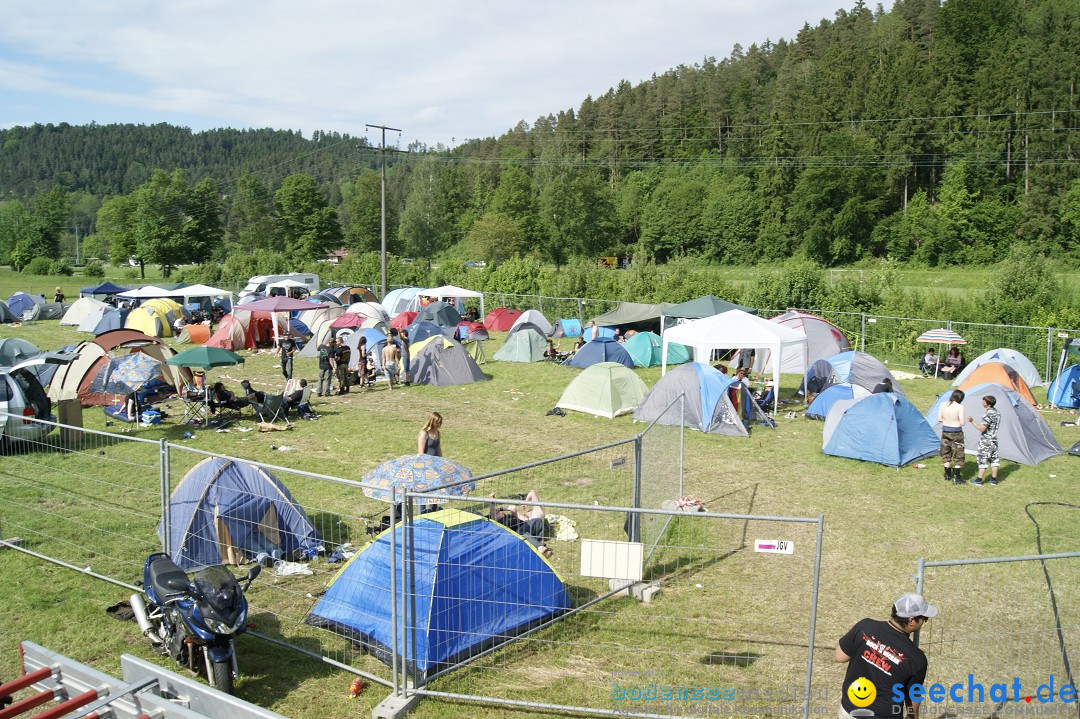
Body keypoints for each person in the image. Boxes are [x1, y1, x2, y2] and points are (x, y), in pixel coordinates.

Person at [836, 593, 935, 719]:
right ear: (911, 620)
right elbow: (912, 703)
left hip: (849, 710)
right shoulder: (917, 659)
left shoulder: (865, 626)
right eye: (924, 618)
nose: (924, 622)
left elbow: (840, 656)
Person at [488, 490, 552, 558]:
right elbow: (511, 509)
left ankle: (540, 547)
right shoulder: (523, 519)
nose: (527, 511)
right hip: (532, 533)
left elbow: (532, 493)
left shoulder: (535, 513)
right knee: (522, 533)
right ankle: (541, 548)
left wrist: (526, 503)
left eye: (528, 511)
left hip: (526, 531)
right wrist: (499, 508)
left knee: (520, 532)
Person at [968, 395, 1000, 485]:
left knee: (983, 459)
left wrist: (972, 421)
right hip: (994, 440)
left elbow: (982, 428)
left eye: (983, 401)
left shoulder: (988, 415)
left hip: (986, 441)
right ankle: (993, 479)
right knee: (994, 460)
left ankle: (979, 480)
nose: (982, 402)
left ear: (988, 404)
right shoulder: (997, 413)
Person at [937, 389, 966, 484]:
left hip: (945, 430)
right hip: (956, 431)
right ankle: (956, 477)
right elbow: (962, 422)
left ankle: (947, 474)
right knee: (958, 453)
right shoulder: (960, 407)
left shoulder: (943, 405)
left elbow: (939, 418)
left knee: (946, 452)